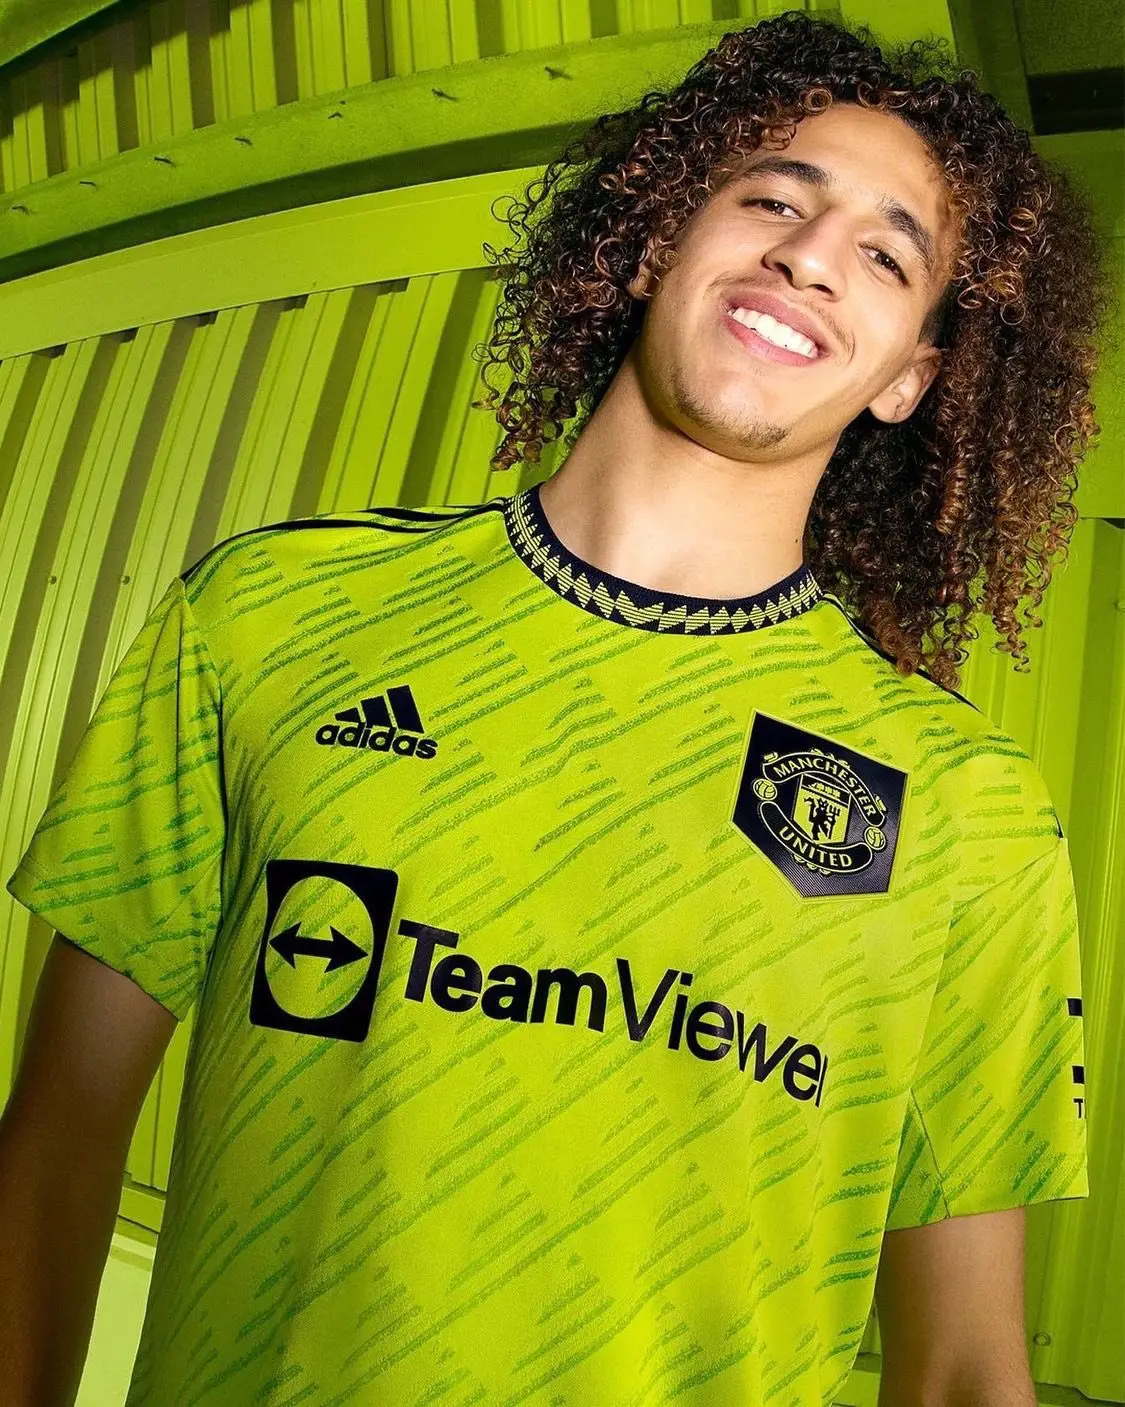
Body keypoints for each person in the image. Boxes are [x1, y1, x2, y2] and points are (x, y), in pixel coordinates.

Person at [0, 12, 1108, 1407]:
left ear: (909, 379)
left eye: (887, 255)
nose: (812, 255)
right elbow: (55, 1147)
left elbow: (961, 1371)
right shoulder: (269, 615)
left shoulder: (970, 811)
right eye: (775, 198)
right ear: (654, 242)